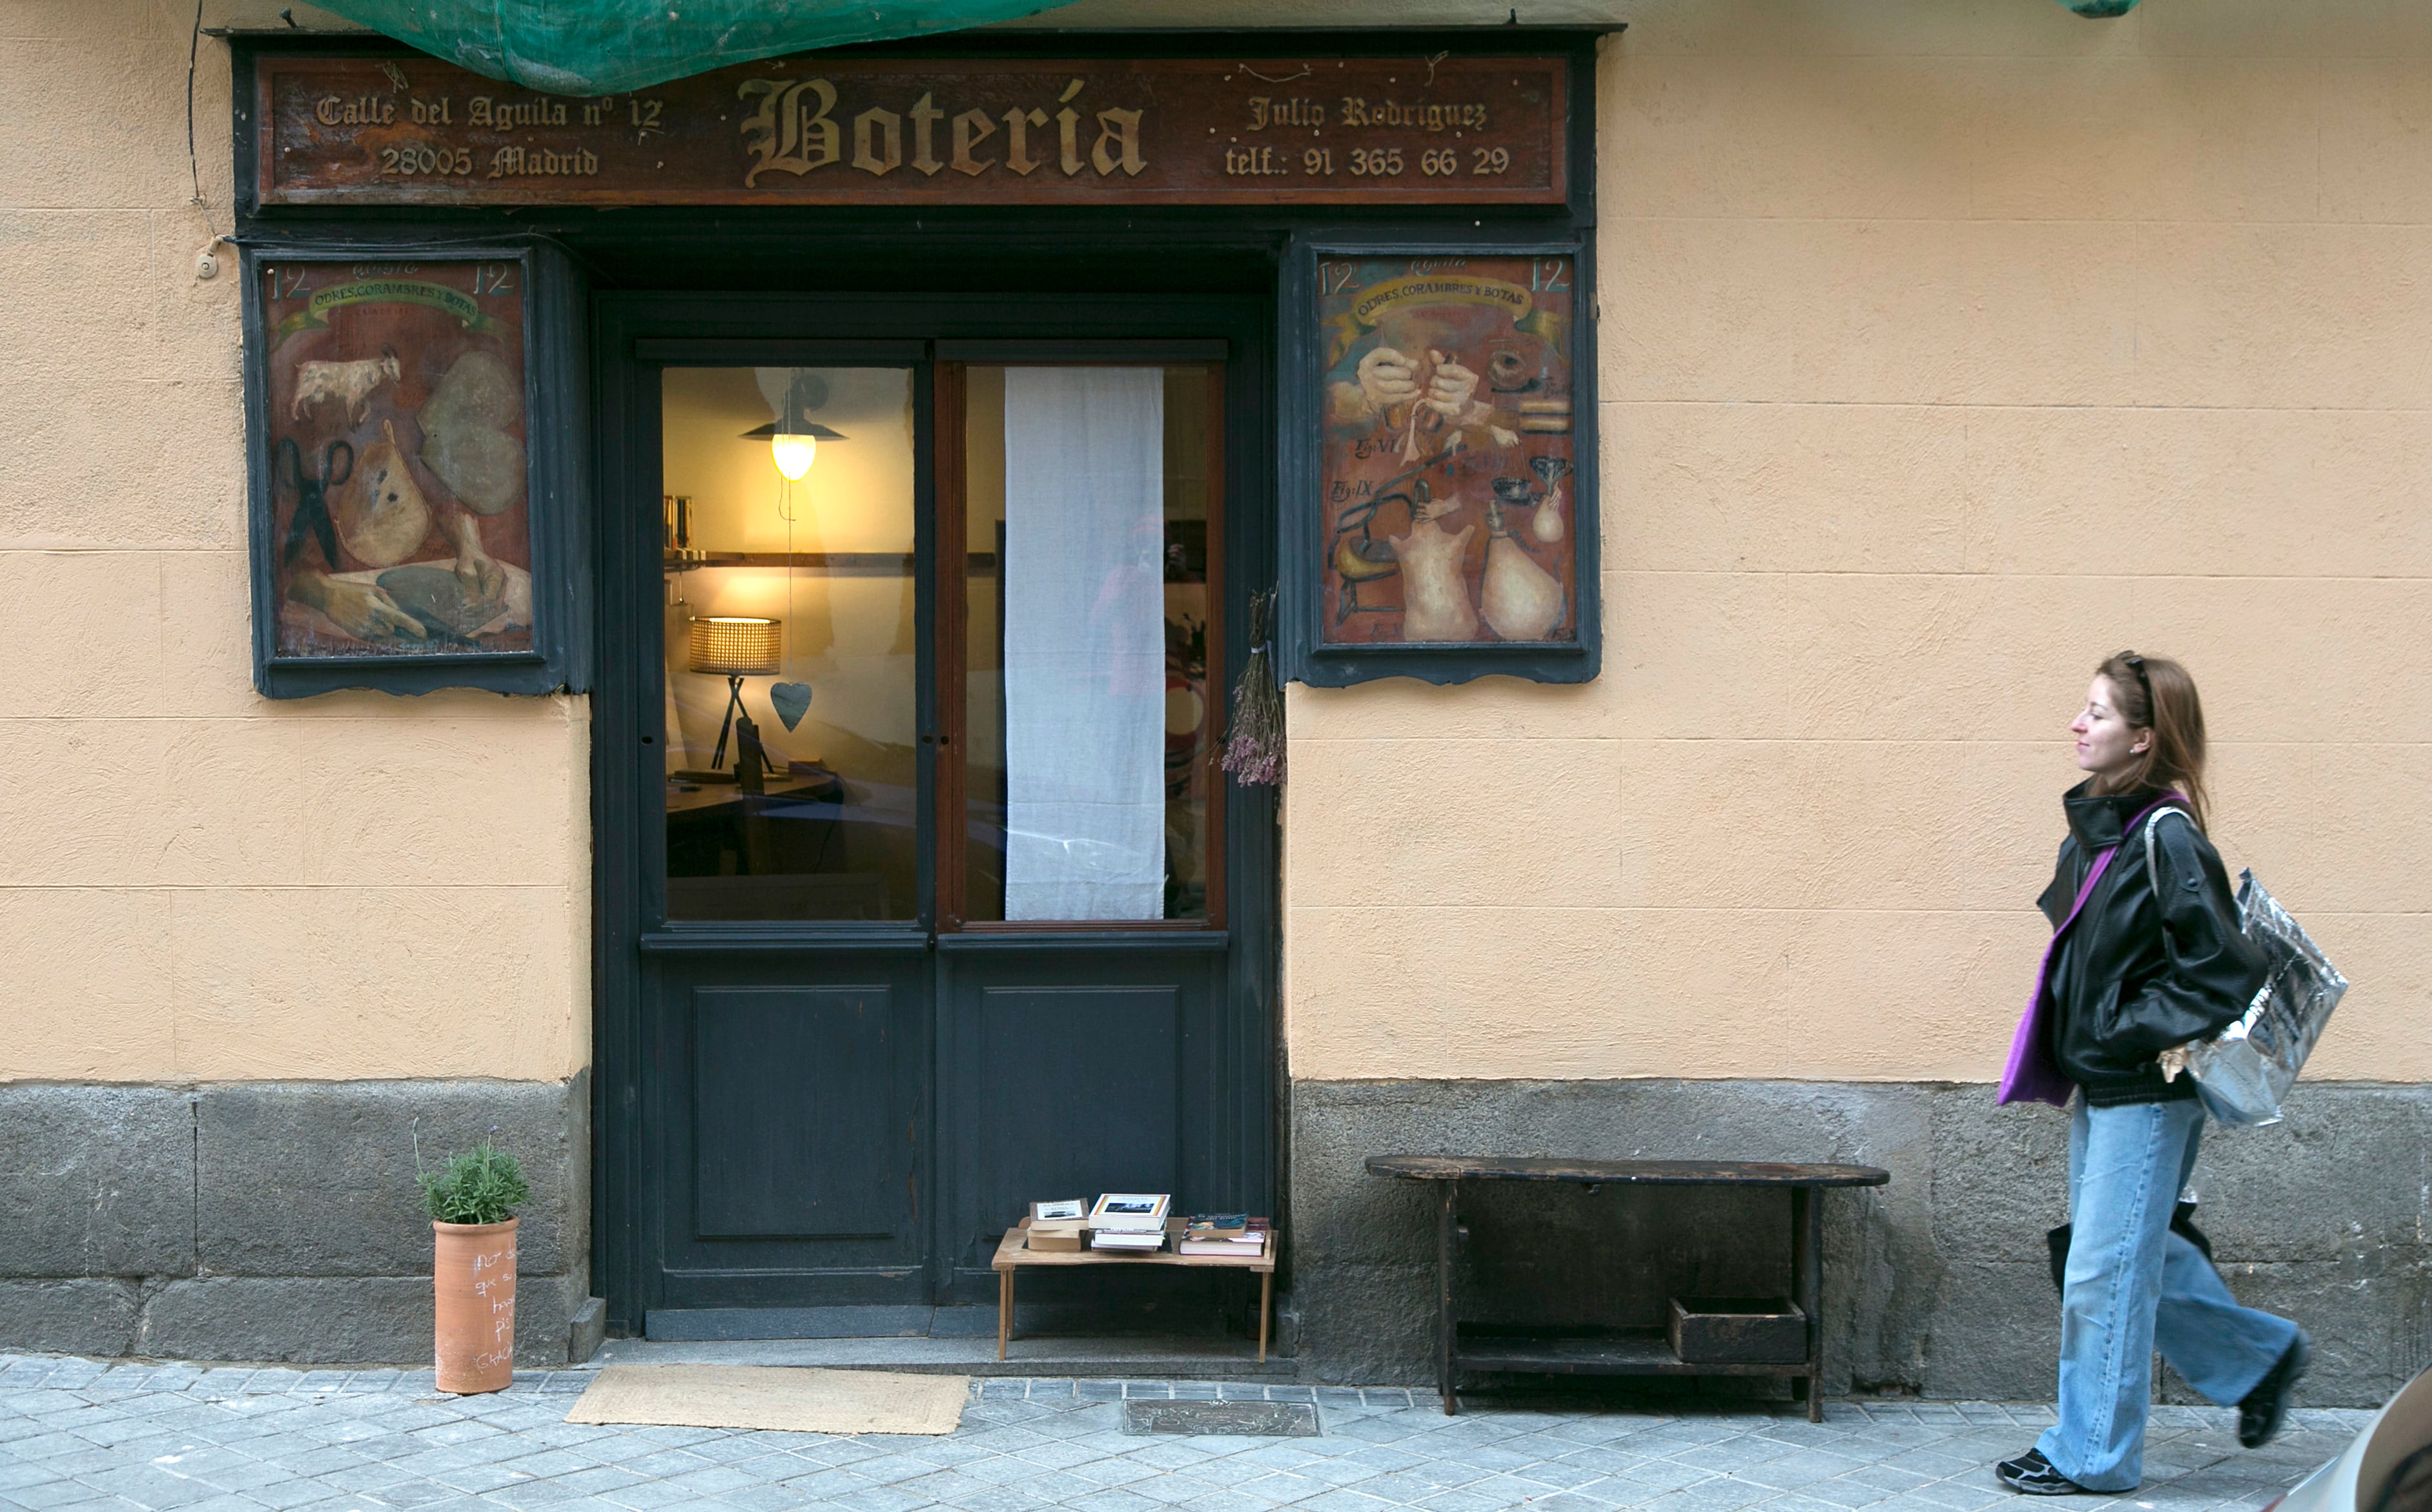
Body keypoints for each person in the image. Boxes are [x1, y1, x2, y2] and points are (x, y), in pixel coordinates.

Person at [1996, 651, 2310, 1497]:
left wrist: (2125, 1031)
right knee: (2120, 1257)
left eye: (2097, 712)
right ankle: (2261, 1357)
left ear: (2144, 737)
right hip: (2107, 1080)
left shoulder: (2169, 837)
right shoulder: (2111, 828)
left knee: (2102, 1269)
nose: (2077, 723)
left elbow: (2223, 969)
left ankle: (2091, 1450)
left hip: (2146, 1086)